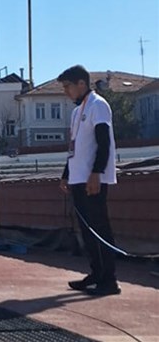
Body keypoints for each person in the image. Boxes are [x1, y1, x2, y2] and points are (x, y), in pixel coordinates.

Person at [58, 65, 121, 295]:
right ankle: (96, 272)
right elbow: (74, 147)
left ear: (82, 84)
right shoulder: (76, 112)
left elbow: (103, 142)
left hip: (93, 179)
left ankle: (109, 279)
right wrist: (66, 173)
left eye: (68, 87)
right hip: (77, 178)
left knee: (99, 227)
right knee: (86, 230)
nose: (66, 92)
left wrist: (96, 172)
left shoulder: (98, 105)